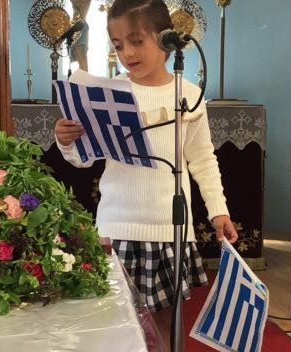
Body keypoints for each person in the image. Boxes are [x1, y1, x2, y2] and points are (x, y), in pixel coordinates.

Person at [54, 0, 238, 350]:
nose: (127, 53)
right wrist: (67, 142)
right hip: (115, 225)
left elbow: (202, 159)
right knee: (111, 321)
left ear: (166, 39)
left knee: (165, 323)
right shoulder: (107, 93)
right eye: (118, 45)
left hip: (166, 228)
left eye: (137, 41)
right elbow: (84, 159)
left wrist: (219, 210)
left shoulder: (189, 94)